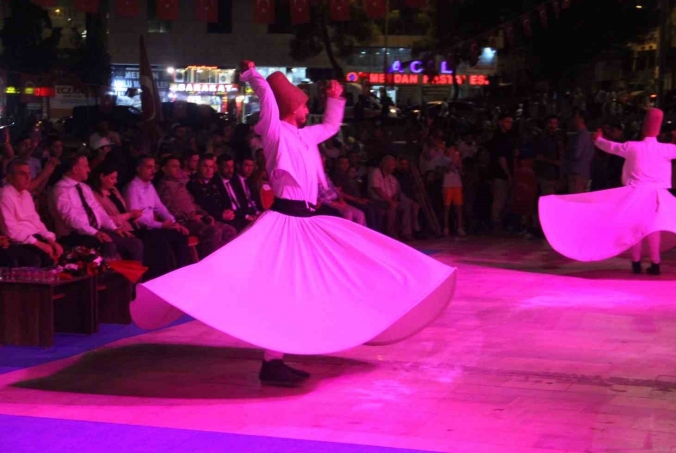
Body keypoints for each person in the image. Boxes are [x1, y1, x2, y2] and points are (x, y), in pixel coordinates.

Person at [131, 62, 456, 387]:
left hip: (304, 220)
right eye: (301, 104)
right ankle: (273, 361)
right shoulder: (275, 134)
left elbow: (330, 126)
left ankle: (289, 352)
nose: (305, 108)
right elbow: (270, 106)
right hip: (285, 220)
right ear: (291, 108)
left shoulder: (303, 137)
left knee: (333, 270)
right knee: (281, 289)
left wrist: (335, 99)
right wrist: (255, 77)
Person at [540, 110, 676, 274]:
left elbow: (610, 146)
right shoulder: (664, 149)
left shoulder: (633, 146)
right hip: (655, 196)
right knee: (653, 229)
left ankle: (637, 262)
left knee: (635, 227)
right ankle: (655, 262)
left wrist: (599, 139)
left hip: (635, 194)